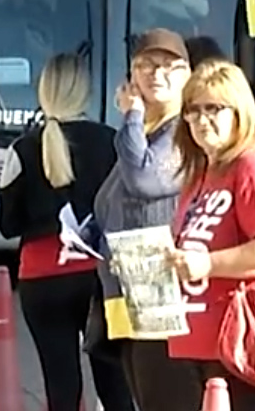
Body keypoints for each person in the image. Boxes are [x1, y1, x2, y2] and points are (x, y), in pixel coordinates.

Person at [159, 59, 255, 411]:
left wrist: (207, 263)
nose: (201, 120)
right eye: (193, 110)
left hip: (240, 346)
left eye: (214, 108)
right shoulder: (203, 172)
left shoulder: (253, 166)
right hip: (197, 344)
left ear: (239, 112)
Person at [0, 54, 129, 411]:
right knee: (115, 384)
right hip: (99, 278)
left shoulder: (22, 148)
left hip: (42, 278)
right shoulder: (111, 141)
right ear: (84, 93)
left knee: (61, 387)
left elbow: (7, 226)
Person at [89, 30, 190, 410]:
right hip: (125, 289)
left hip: (157, 292)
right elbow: (112, 200)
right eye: (145, 65)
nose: (155, 74)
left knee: (158, 397)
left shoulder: (182, 131)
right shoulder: (143, 133)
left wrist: (131, 114)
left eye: (168, 65)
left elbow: (145, 180)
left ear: (186, 74)